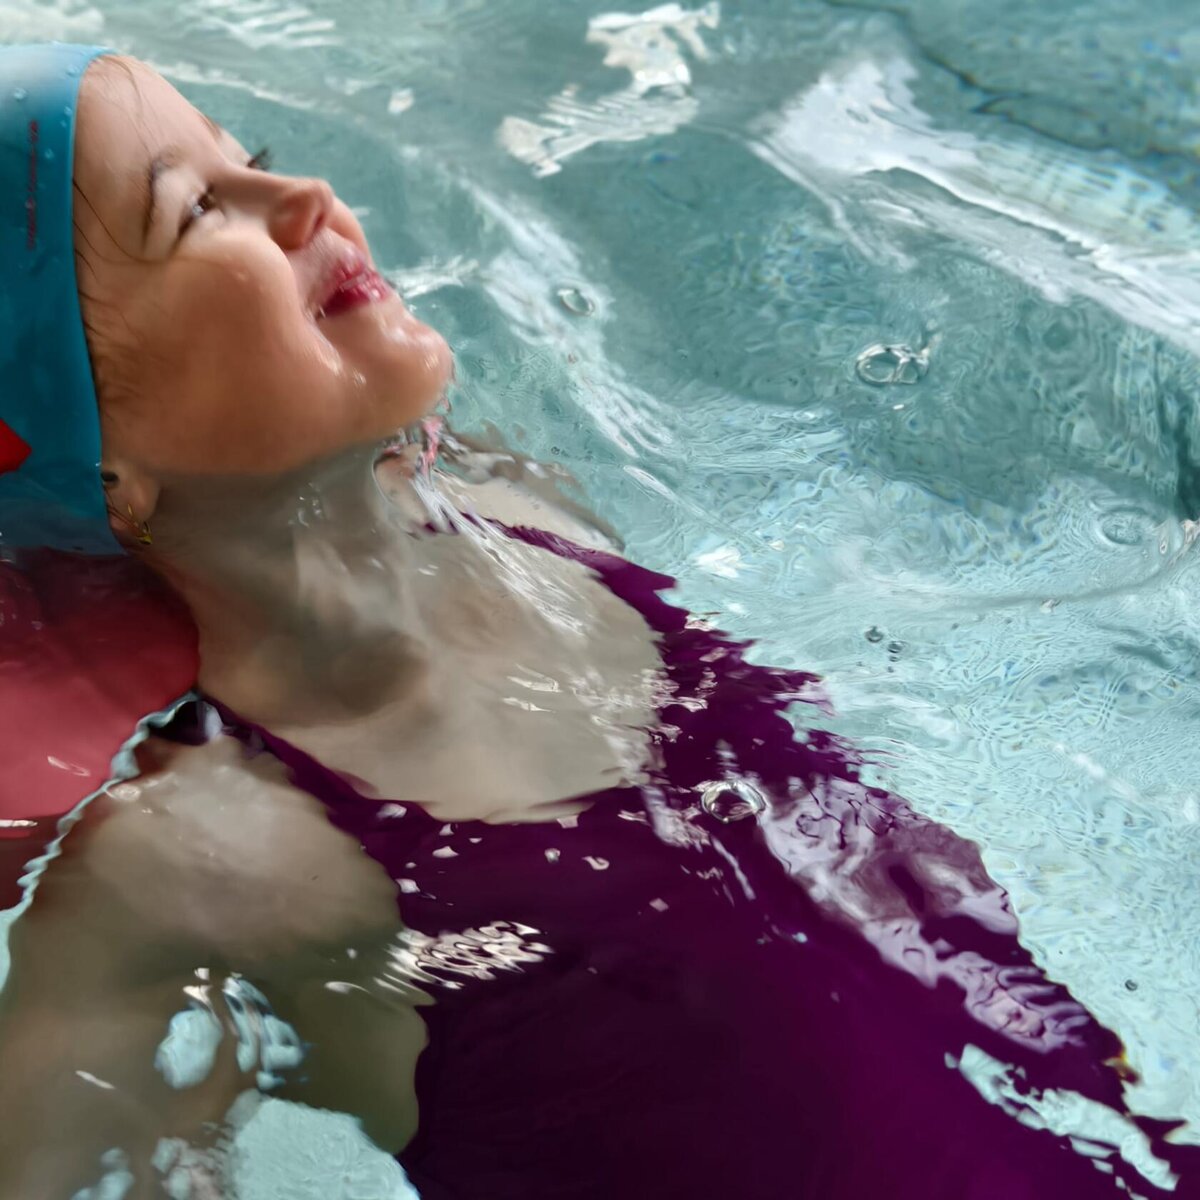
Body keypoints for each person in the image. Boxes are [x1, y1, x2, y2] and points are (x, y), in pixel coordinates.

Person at [0, 44, 1195, 1200]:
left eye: (252, 156)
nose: (305, 193)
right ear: (104, 463)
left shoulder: (524, 511)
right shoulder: (199, 851)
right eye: (197, 209)